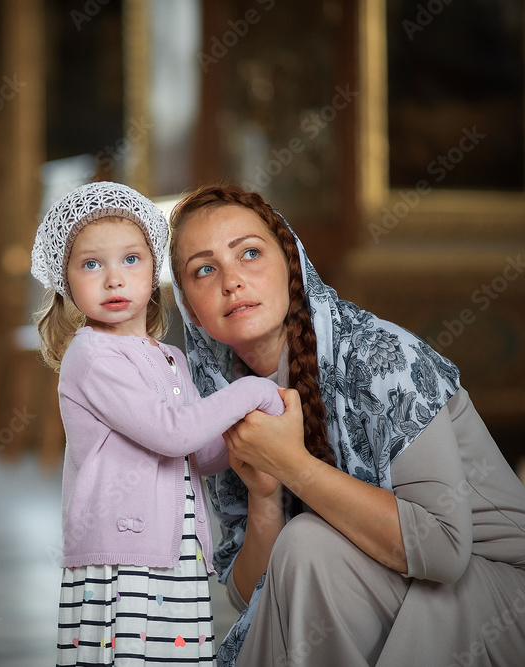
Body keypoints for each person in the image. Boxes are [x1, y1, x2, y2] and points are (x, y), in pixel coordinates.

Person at [168, 183, 525, 666]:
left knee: (309, 543)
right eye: (204, 269)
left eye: (249, 253)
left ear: (291, 268)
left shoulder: (384, 358)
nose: (231, 280)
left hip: (495, 596)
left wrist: (293, 465)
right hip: (383, 586)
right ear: (191, 309)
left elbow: (444, 551)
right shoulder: (226, 403)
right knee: (305, 548)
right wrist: (265, 498)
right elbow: (253, 595)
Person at [30, 181, 286, 666]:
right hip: (122, 556)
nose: (114, 279)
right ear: (66, 280)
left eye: (131, 259)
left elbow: (203, 455)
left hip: (176, 550)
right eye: (91, 265)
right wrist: (253, 391)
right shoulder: (91, 355)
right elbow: (174, 433)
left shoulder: (170, 358)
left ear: (154, 271)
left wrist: (254, 441)